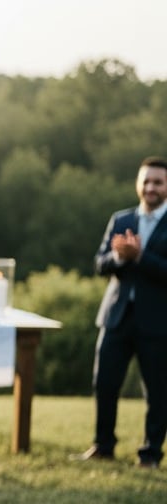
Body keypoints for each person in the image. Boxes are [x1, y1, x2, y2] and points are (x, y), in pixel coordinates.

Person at [84, 156, 167, 469]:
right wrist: (119, 258)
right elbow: (99, 264)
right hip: (116, 316)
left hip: (158, 321)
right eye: (145, 181)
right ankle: (103, 445)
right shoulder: (121, 219)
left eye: (157, 182)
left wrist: (141, 256)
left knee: (158, 391)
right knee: (104, 383)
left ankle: (150, 454)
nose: (150, 188)